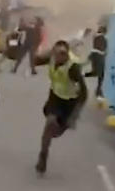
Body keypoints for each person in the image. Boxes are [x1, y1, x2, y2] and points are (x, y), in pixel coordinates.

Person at [32, 39, 89, 174]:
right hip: (55, 99)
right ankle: (43, 156)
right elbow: (35, 61)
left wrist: (75, 116)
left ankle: (55, 132)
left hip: (69, 103)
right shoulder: (51, 59)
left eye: (63, 54)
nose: (59, 57)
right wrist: (44, 52)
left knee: (56, 133)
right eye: (57, 53)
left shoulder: (73, 69)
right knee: (49, 124)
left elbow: (84, 93)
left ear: (67, 54)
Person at [85, 25, 108, 98]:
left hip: (95, 55)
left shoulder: (97, 36)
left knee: (98, 73)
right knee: (99, 74)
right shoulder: (101, 37)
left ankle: (99, 91)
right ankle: (98, 91)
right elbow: (103, 49)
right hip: (98, 56)